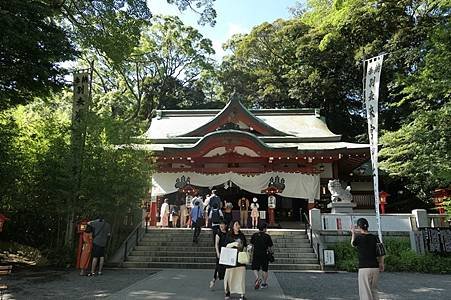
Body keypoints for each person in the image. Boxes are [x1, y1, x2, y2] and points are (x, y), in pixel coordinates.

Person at [351, 218, 385, 300]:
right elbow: (381, 252)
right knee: (374, 291)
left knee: (365, 292)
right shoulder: (375, 237)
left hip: (364, 268)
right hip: (375, 267)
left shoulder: (359, 238)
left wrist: (353, 233)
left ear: (359, 227)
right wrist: (381, 263)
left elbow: (352, 243)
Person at [224, 220, 247, 300]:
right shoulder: (229, 235)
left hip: (240, 259)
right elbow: (225, 246)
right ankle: (227, 292)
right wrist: (233, 244)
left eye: (238, 224)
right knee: (228, 277)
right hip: (230, 259)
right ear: (232, 226)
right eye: (236, 224)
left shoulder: (242, 235)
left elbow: (245, 246)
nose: (238, 226)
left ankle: (242, 294)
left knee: (241, 278)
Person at [250, 222, 273, 289]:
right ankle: (264, 283)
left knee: (255, 267)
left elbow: (251, 245)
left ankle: (257, 278)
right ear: (264, 228)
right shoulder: (267, 236)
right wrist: (271, 253)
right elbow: (270, 247)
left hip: (256, 253)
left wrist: (250, 253)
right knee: (264, 269)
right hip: (264, 254)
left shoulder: (254, 235)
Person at [210, 219, 228, 290]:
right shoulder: (218, 233)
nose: (221, 226)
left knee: (225, 268)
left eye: (223, 224)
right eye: (220, 224)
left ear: (225, 225)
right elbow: (216, 244)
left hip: (227, 253)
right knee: (218, 268)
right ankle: (213, 280)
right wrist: (218, 253)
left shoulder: (228, 233)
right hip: (220, 253)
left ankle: (226, 283)